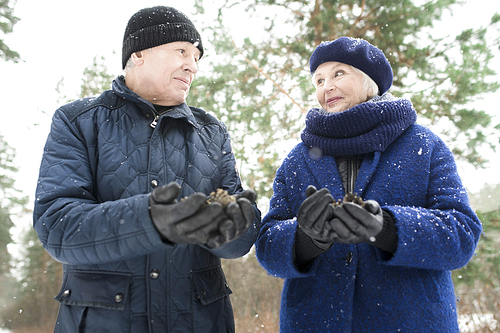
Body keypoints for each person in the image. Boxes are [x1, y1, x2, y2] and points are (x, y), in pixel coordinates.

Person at [33, 6, 260, 333]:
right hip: (102, 321)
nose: (192, 65)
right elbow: (57, 224)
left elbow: (239, 239)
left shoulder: (212, 132)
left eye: (197, 57)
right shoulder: (77, 122)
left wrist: (237, 227)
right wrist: (149, 221)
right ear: (137, 53)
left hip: (200, 321)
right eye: (182, 51)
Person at [255, 36, 482, 332]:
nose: (327, 86)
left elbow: (462, 235)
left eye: (338, 73)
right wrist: (303, 239)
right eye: (319, 80)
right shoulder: (297, 160)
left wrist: (387, 228)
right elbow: (267, 246)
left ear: (368, 81)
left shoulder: (425, 146)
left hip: (411, 322)